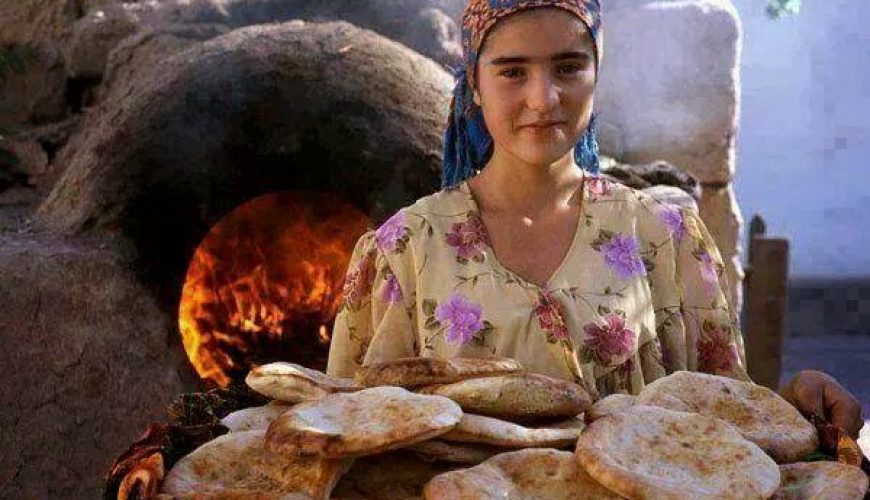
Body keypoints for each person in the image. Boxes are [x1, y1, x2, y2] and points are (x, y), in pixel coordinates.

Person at [326, 0, 863, 446]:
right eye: (513, 71)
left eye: (568, 67)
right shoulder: (405, 250)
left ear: (596, 69)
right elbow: (350, 432)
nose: (544, 99)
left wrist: (799, 402)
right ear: (473, 81)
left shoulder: (664, 237)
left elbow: (726, 420)